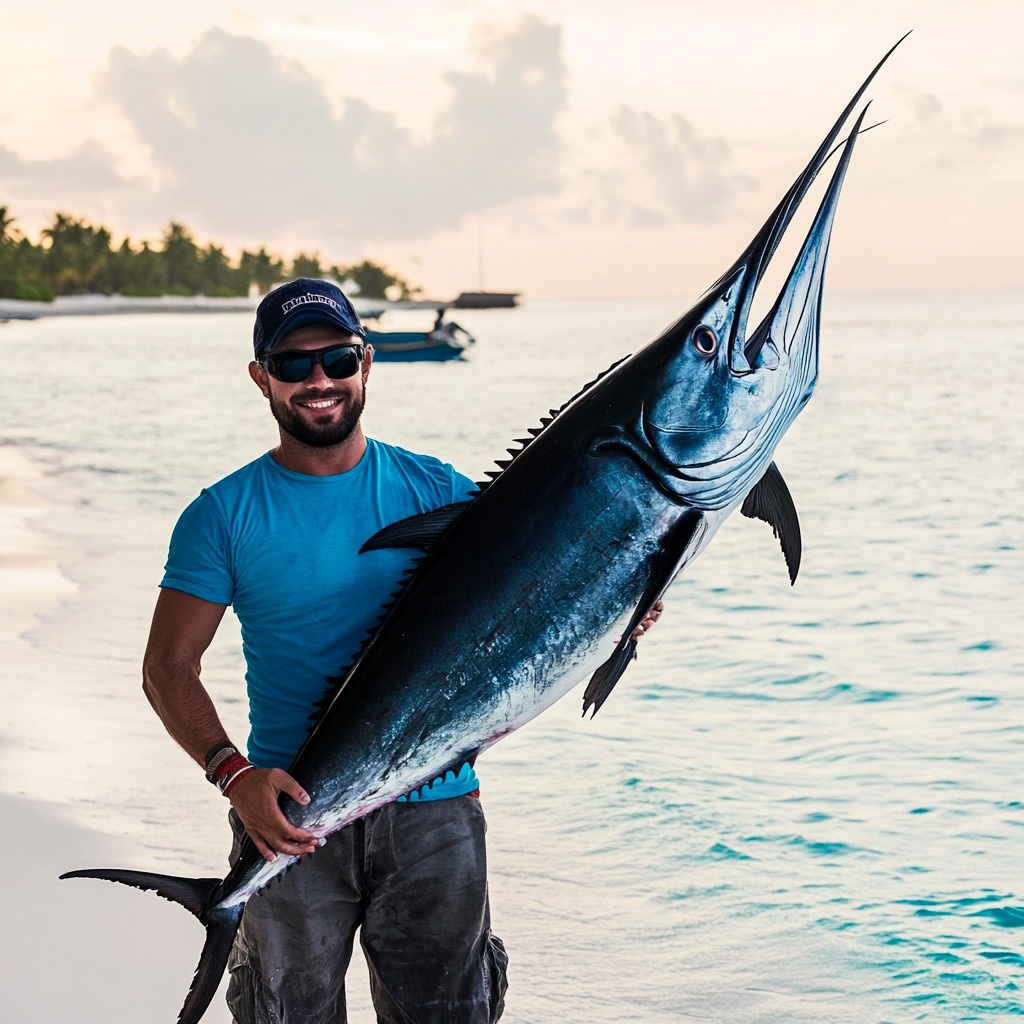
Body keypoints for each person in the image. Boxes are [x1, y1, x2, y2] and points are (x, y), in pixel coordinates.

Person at [142, 277, 662, 1024]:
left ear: (366, 362)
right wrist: (235, 777)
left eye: (337, 359)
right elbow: (167, 668)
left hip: (435, 821)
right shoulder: (222, 514)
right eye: (292, 366)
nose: (318, 381)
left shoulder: (441, 495)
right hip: (285, 813)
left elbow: (536, 617)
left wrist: (619, 613)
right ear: (261, 377)